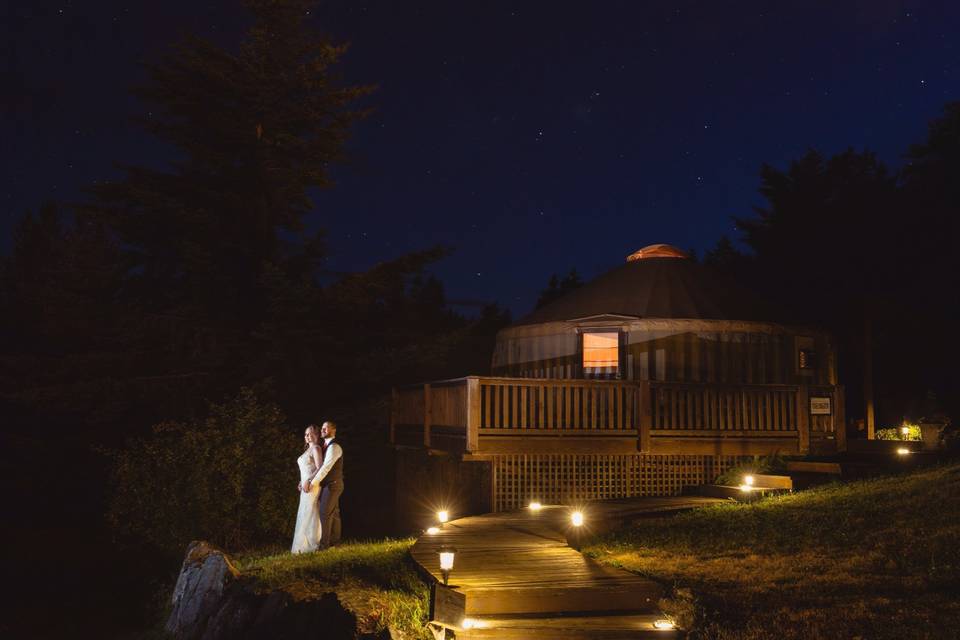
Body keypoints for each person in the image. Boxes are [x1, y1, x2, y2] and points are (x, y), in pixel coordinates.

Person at [310, 420, 344, 549]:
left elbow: (326, 467)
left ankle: (324, 545)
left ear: (333, 430)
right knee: (334, 514)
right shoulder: (324, 446)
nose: (323, 430)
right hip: (329, 484)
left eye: (326, 428)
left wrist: (312, 483)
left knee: (325, 513)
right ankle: (335, 543)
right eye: (322, 428)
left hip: (333, 484)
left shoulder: (334, 447)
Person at [291, 424, 323, 553]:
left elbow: (320, 467)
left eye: (310, 434)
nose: (307, 436)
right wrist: (301, 481)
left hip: (312, 486)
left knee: (311, 512)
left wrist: (309, 480)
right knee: (304, 513)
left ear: (316, 435)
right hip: (305, 486)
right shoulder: (307, 450)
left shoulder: (316, 448)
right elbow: (306, 469)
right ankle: (302, 545)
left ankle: (313, 543)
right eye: (306, 434)